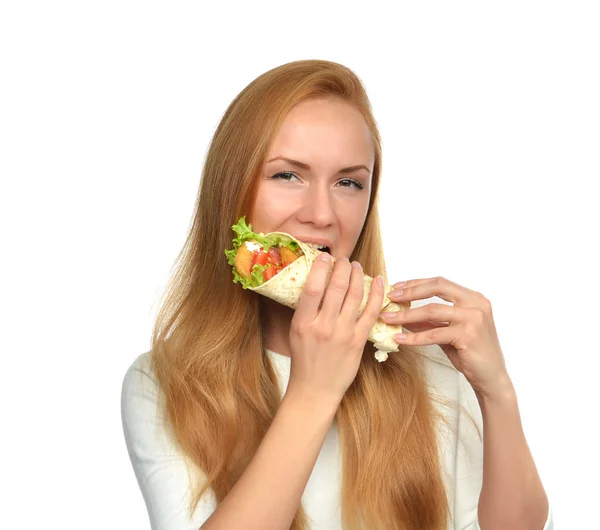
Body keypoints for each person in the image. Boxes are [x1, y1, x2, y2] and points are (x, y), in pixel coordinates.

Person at [120, 59, 554, 530]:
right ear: (231, 191)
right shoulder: (164, 385)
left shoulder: (433, 363)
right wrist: (313, 392)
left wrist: (497, 391)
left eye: (349, 182)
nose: (322, 214)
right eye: (288, 175)